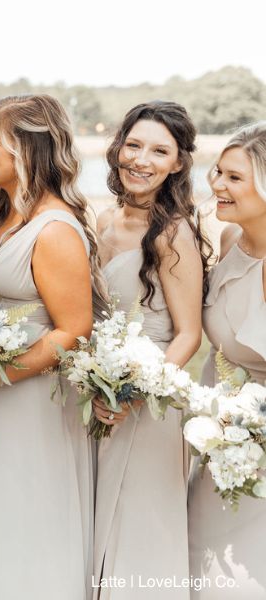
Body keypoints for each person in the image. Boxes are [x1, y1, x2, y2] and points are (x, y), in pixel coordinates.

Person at [0, 94, 104, 600]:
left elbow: (73, 329)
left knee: (27, 515)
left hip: (33, 405)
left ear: (28, 149)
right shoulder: (8, 217)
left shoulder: (55, 230)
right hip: (0, 400)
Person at [91, 101, 208, 600]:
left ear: (178, 163)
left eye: (159, 151)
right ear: (118, 148)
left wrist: (133, 392)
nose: (141, 159)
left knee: (141, 526)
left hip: (150, 400)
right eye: (134, 145)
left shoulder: (174, 232)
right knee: (100, 521)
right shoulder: (103, 221)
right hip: (97, 389)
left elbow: (188, 334)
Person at [188, 121, 266, 599]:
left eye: (234, 177)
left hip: (255, 445)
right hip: (221, 442)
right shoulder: (229, 239)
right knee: (200, 559)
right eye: (217, 172)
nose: (216, 184)